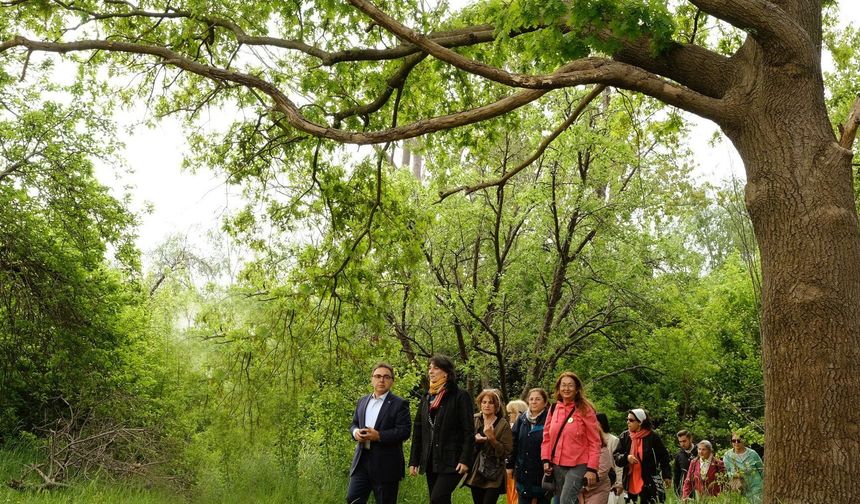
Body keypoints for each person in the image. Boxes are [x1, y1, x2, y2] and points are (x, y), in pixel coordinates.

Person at [408, 355, 475, 504]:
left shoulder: (460, 396)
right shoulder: (426, 397)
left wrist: (465, 460)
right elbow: (418, 430)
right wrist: (414, 460)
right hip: (431, 459)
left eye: (436, 368)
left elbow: (469, 431)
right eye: (430, 368)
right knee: (441, 500)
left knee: (437, 498)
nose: (431, 371)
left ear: (446, 373)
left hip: (453, 459)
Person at [347, 362, 412, 504]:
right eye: (378, 376)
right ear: (372, 379)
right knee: (353, 499)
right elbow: (353, 424)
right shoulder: (362, 401)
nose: (381, 380)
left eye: (386, 377)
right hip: (362, 460)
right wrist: (356, 432)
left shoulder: (399, 404)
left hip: (386, 464)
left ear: (392, 381)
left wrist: (379, 436)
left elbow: (404, 431)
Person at [540, 371, 601, 504]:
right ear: (558, 388)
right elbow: (546, 437)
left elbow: (595, 441)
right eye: (563, 385)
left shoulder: (585, 409)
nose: (566, 389)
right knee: (562, 500)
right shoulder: (553, 408)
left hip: (578, 464)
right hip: (557, 464)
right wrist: (546, 459)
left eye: (570, 385)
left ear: (577, 389)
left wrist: (591, 469)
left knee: (566, 501)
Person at [612, 408, 671, 503]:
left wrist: (666, 476)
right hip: (630, 480)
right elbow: (616, 456)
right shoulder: (624, 436)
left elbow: (664, 457)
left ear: (640, 422)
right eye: (627, 419)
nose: (628, 422)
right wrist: (626, 457)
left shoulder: (653, 437)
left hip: (649, 481)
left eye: (631, 420)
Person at [466, 389, 514, 504]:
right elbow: (464, 442)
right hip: (476, 470)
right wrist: (475, 440)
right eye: (484, 402)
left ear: (496, 406)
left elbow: (507, 452)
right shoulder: (475, 419)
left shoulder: (503, 424)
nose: (487, 405)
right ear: (480, 403)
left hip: (495, 471)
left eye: (490, 402)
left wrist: (492, 439)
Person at [509, 388, 552, 504]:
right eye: (531, 399)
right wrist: (510, 465)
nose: (533, 402)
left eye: (538, 399)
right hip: (522, 472)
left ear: (545, 402)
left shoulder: (550, 420)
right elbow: (513, 443)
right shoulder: (522, 419)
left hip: (541, 473)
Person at [580, 412, 621, 504]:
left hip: (598, 488)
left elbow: (610, 466)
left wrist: (619, 482)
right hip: (581, 490)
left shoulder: (607, 442)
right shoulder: (581, 444)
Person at [722, 433, 764, 504]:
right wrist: (734, 474)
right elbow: (726, 472)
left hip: (755, 487)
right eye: (733, 441)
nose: (736, 443)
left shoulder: (752, 454)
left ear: (743, 441)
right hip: (739, 489)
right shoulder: (727, 455)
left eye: (738, 440)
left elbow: (762, 470)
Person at [596, 413, 624, 504]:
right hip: (596, 481)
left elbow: (618, 463)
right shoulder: (591, 439)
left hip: (611, 480)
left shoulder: (613, 440)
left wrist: (619, 482)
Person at [673, 430, 697, 497]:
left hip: (699, 490)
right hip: (685, 491)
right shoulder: (679, 456)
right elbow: (676, 476)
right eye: (680, 442)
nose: (682, 444)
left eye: (684, 441)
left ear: (690, 439)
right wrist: (677, 493)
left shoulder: (700, 451)